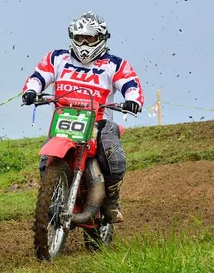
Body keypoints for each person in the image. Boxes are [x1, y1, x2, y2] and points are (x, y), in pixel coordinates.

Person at [21, 11, 144, 223]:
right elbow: (39, 76)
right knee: (45, 161)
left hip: (100, 121)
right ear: (72, 37)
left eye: (91, 38)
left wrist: (133, 99)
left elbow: (130, 84)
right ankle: (53, 198)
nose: (85, 43)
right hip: (64, 119)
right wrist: (31, 90)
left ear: (102, 39)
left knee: (113, 158)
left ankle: (111, 201)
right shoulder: (57, 58)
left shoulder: (114, 64)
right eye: (80, 38)